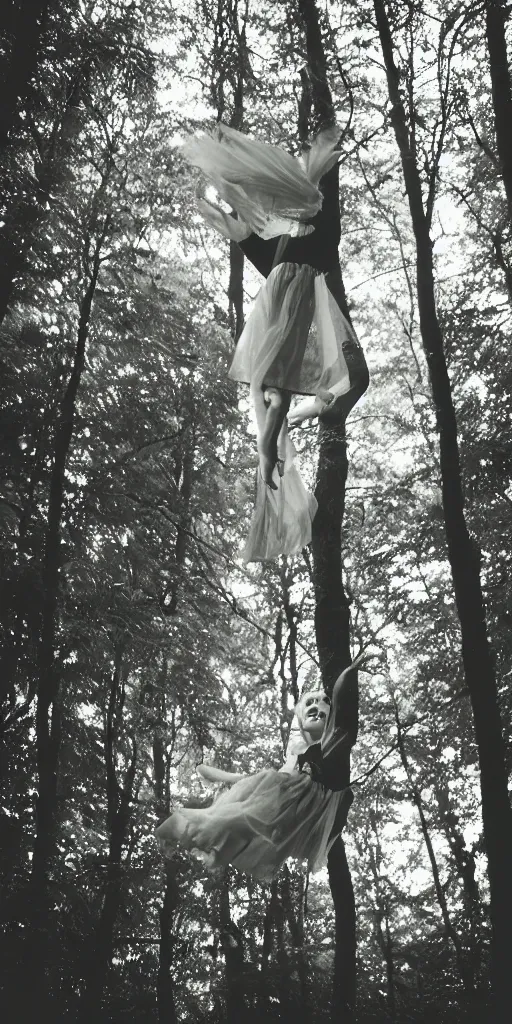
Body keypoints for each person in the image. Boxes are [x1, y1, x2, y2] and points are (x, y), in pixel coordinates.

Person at [183, 123, 369, 562]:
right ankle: (279, 436)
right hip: (286, 312)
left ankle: (285, 430)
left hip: (283, 312)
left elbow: (267, 222)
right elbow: (249, 230)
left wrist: (222, 199)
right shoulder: (296, 239)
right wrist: (217, 198)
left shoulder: (307, 237)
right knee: (285, 393)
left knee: (286, 393)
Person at [155, 655, 365, 883]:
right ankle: (216, 842)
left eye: (323, 703)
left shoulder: (333, 743)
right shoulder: (294, 759)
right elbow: (260, 780)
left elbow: (341, 703)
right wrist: (214, 774)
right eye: (309, 704)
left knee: (248, 807)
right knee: (239, 816)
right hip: (293, 810)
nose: (316, 707)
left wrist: (349, 671)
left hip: (322, 811)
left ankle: (220, 835)